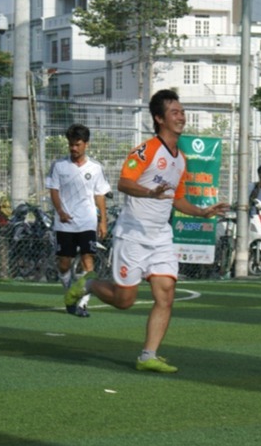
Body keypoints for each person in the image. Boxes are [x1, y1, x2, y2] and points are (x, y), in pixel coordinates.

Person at [63, 89, 228, 373]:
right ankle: (87, 284)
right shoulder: (147, 149)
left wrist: (203, 211)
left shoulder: (181, 159)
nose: (181, 117)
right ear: (159, 118)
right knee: (124, 301)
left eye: (182, 111)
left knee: (166, 294)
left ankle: (147, 356)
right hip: (133, 234)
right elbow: (124, 183)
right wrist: (149, 192)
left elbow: (176, 198)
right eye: (175, 112)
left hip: (161, 236)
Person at [46, 123, 111, 317]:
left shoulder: (96, 168)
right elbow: (53, 190)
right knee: (64, 264)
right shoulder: (59, 166)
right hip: (65, 223)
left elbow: (99, 195)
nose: (74, 148)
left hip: (87, 222)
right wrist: (60, 211)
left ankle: (82, 303)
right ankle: (70, 295)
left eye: (78, 144)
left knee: (87, 260)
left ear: (86, 145)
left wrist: (103, 221)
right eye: (71, 145)